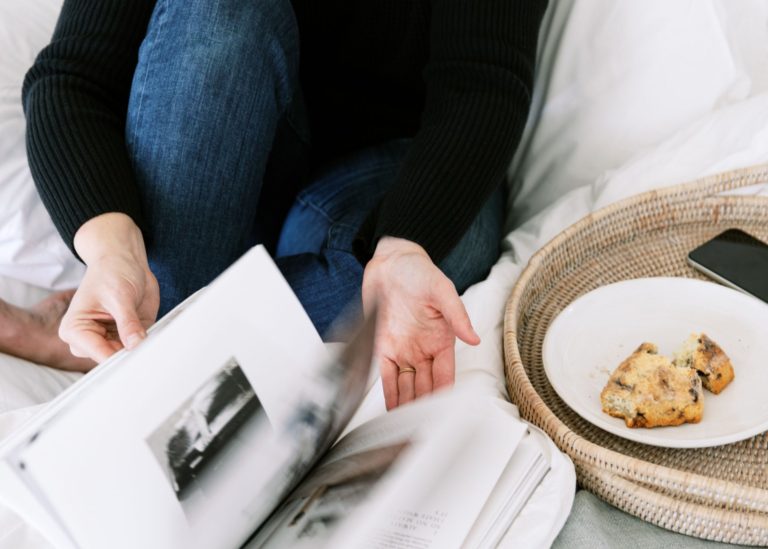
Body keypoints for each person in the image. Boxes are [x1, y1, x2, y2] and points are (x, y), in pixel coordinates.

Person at [4, 0, 546, 410]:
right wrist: (112, 251)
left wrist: (405, 246)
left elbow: (482, 80)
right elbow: (73, 77)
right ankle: (145, 314)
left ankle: (149, 333)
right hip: (210, 175)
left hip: (388, 174)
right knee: (222, 12)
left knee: (445, 259)